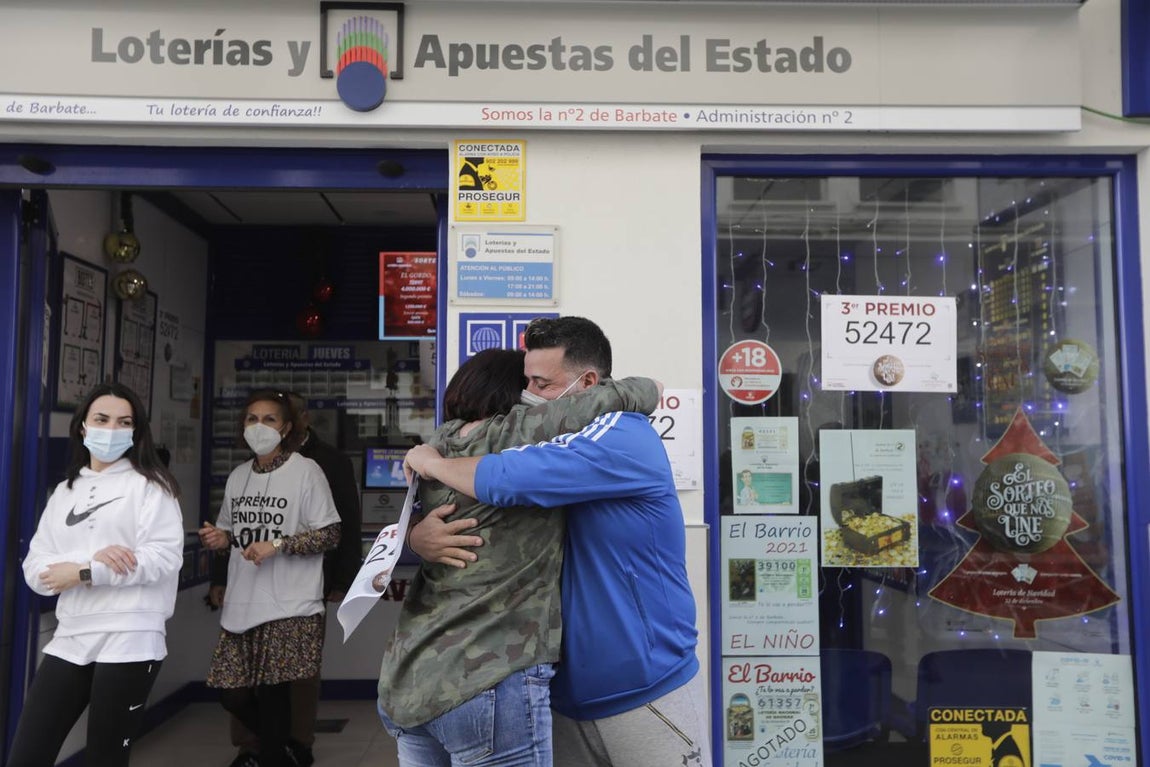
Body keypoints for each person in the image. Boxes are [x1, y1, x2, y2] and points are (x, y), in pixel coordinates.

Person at [405, 317, 710, 767]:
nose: (528, 396)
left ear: (587, 383)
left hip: (644, 689)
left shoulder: (622, 435)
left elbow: (505, 479)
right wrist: (419, 536)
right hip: (558, 694)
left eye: (541, 383)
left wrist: (430, 461)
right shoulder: (538, 435)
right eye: (525, 381)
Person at [9, 382, 184, 767]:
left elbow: (163, 557)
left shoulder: (151, 487)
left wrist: (87, 571)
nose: (111, 429)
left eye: (124, 422)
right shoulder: (65, 492)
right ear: (83, 427)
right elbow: (36, 567)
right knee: (27, 754)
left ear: (136, 432)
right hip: (71, 636)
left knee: (105, 759)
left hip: (131, 636)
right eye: (101, 419)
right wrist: (77, 567)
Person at [216, 392, 363, 767]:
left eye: (269, 419)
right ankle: (274, 749)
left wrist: (279, 546)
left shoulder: (308, 470)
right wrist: (220, 540)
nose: (259, 427)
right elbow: (232, 533)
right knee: (232, 691)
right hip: (243, 602)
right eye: (251, 419)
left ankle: (281, 753)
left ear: (287, 427)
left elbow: (333, 532)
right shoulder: (238, 476)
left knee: (279, 693)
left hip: (292, 601)